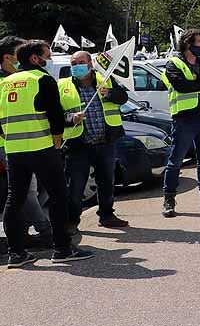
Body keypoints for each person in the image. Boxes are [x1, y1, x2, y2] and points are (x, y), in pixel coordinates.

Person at [1, 40, 92, 265]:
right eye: (47, 56)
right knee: (58, 196)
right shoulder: (42, 79)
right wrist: (57, 142)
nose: (49, 60)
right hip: (42, 148)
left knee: (14, 200)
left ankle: (16, 253)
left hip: (14, 149)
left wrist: (7, 138)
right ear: (34, 58)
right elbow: (54, 116)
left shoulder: (5, 82)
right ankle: (62, 250)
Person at [60, 50, 129, 230]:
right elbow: (54, 116)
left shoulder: (105, 80)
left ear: (90, 64)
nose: (77, 67)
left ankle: (107, 215)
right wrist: (70, 118)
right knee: (75, 186)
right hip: (79, 145)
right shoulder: (62, 85)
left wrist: (110, 94)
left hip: (105, 142)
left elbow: (123, 98)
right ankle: (71, 221)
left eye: (80, 62)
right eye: (73, 64)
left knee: (106, 182)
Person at [161, 28, 200, 218]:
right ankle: (169, 200)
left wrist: (199, 78)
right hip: (184, 119)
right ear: (187, 43)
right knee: (175, 162)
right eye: (198, 42)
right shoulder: (173, 64)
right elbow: (181, 85)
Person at [0, 35, 54, 252]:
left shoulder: (19, 79)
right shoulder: (5, 82)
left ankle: (21, 241)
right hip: (10, 145)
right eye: (17, 56)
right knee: (25, 193)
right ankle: (46, 232)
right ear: (6, 58)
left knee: (24, 194)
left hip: (22, 144)